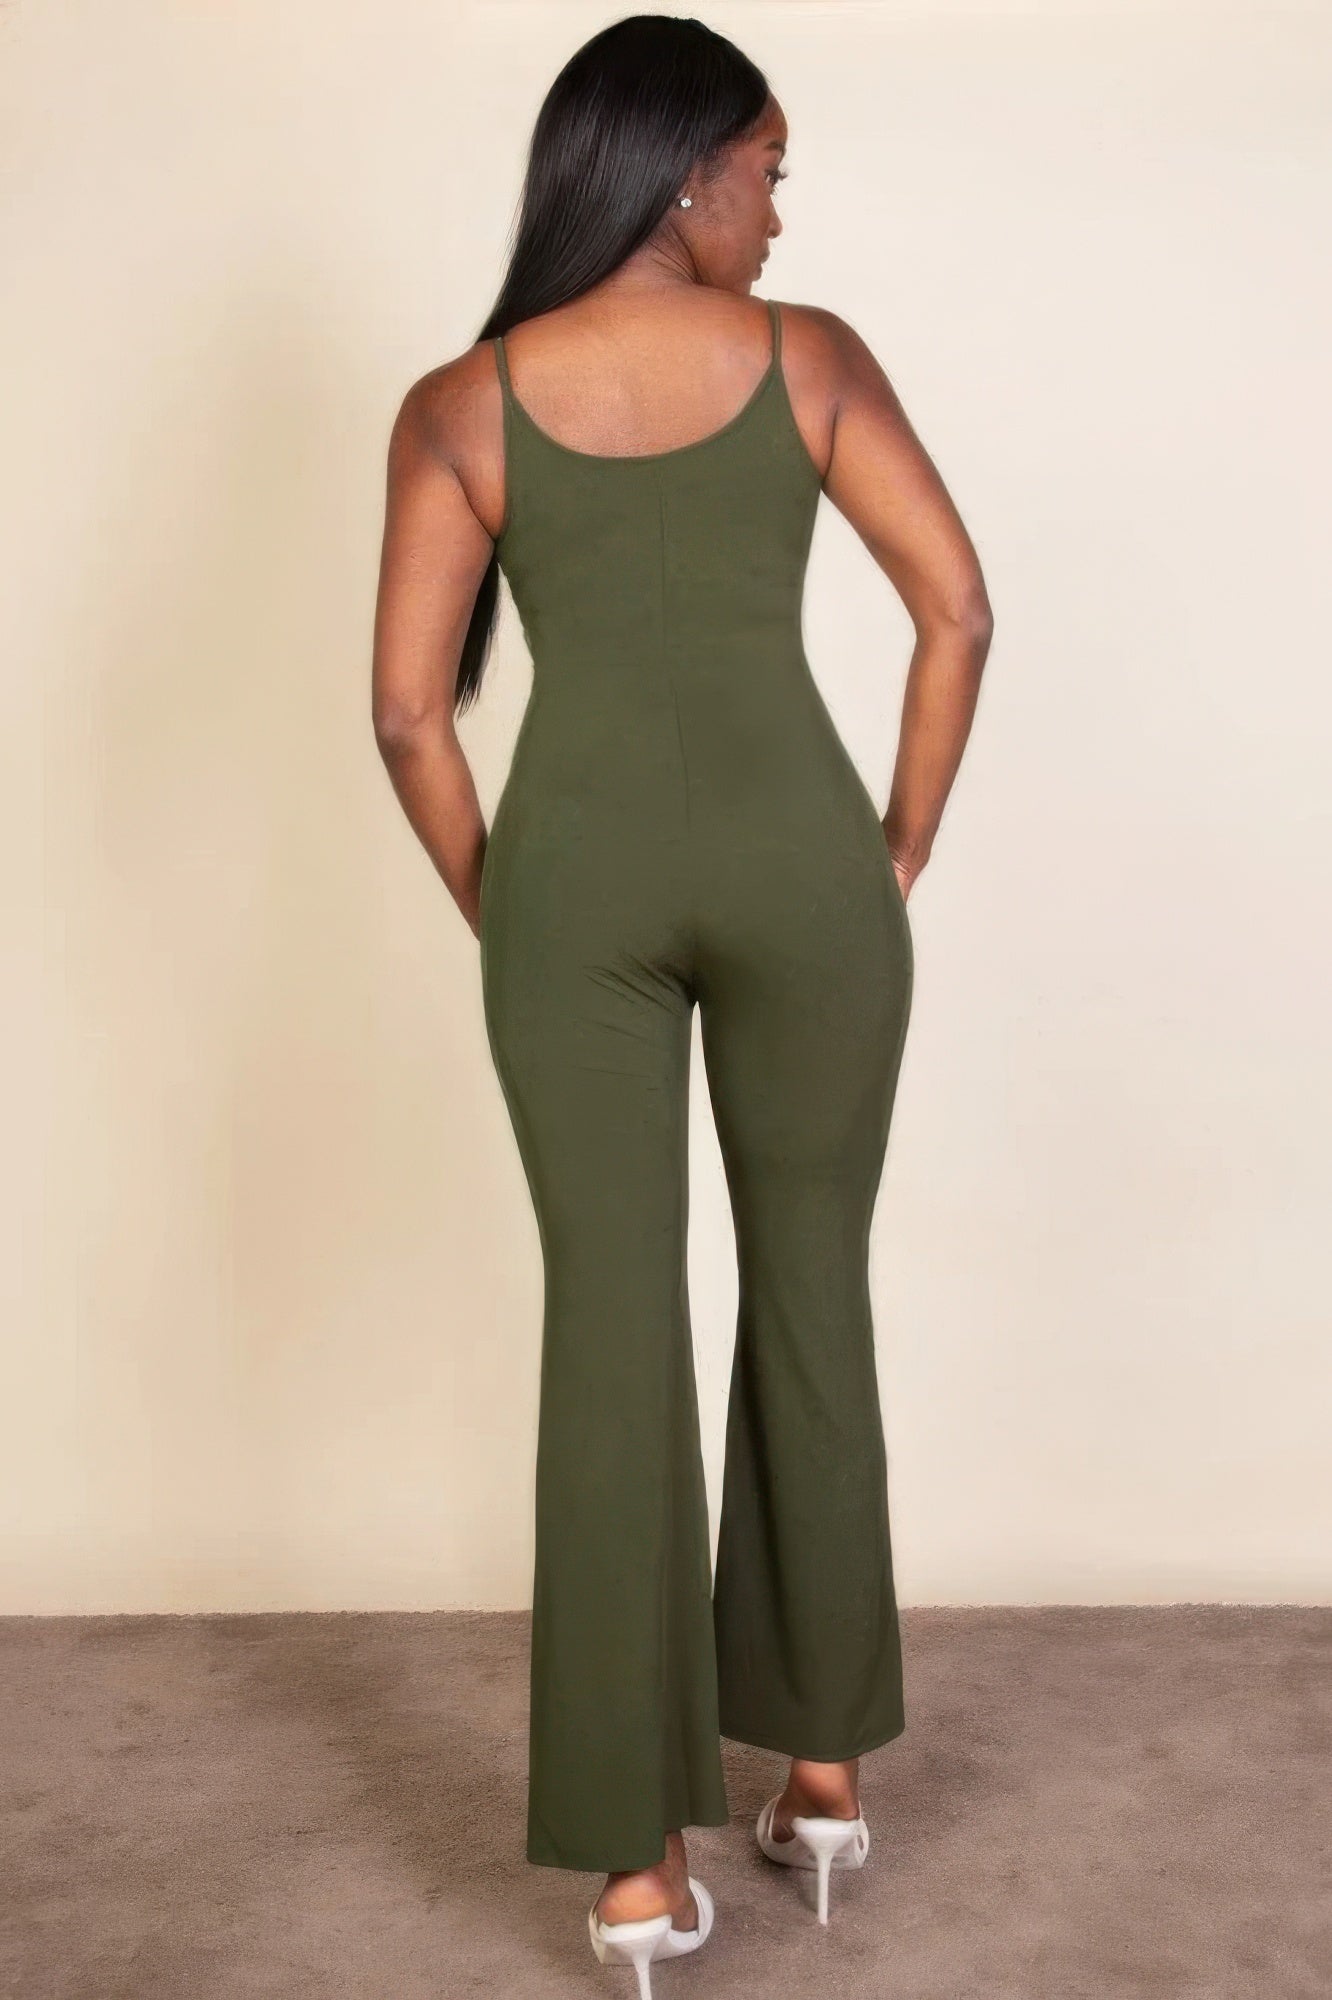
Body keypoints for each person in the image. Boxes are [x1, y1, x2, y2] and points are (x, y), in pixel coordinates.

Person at [372, 13, 992, 1991]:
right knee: (813, 1291)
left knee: (610, 1325)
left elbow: (410, 715)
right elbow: (959, 607)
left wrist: (513, 911)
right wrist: (889, 850)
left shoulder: (460, 404)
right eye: (770, 170)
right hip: (805, 868)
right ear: (687, 168)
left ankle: (636, 1877)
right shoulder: (808, 360)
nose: (780, 211)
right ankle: (823, 1774)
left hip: (577, 890)